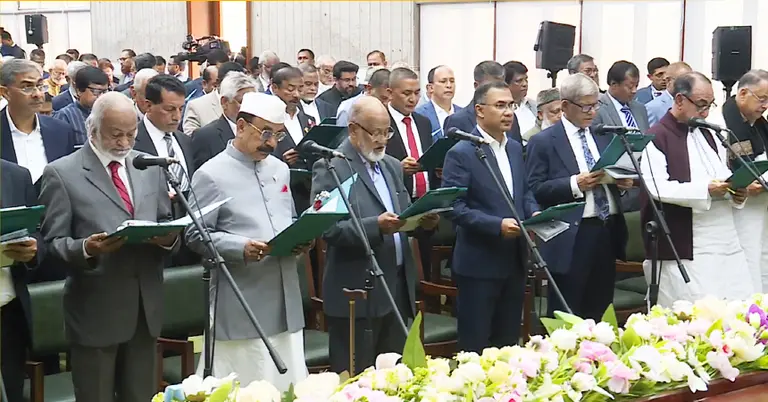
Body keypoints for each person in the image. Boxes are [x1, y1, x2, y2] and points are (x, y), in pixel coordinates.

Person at [38, 92, 178, 402]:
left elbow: (166, 220)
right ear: (93, 130)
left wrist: (168, 238)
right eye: (116, 134)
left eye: (132, 133)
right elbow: (51, 245)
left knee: (141, 396)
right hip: (95, 310)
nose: (125, 142)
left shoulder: (147, 166)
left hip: (144, 308)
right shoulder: (62, 173)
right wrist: (87, 248)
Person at [185, 92, 310, 391]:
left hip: (285, 291)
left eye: (278, 135)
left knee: (289, 382)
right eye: (264, 133)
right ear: (241, 126)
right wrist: (238, 247)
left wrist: (300, 238)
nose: (271, 143)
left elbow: (288, 219)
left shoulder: (279, 169)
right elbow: (193, 234)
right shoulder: (211, 174)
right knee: (248, 385)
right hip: (242, 295)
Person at [310, 96, 439, 374]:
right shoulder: (332, 166)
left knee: (397, 378)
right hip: (357, 292)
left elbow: (403, 216)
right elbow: (327, 228)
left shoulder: (391, 165)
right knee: (357, 380)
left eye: (387, 131)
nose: (382, 139)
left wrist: (424, 221)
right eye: (376, 132)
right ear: (354, 129)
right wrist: (375, 226)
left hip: (397, 289)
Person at [639, 72, 754, 306]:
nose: (705, 112)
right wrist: (706, 190)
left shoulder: (710, 133)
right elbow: (657, 189)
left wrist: (736, 192)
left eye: (710, 105)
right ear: (680, 100)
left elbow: (723, 176)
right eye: (701, 105)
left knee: (736, 304)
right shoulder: (656, 137)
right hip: (688, 239)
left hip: (726, 237)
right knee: (699, 310)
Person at [442, 81, 539, 352]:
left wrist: (535, 212)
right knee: (475, 347)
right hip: (479, 263)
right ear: (479, 110)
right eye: (500, 105)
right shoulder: (461, 153)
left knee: (507, 345)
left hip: (515, 259)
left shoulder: (515, 148)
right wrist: (496, 225)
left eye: (511, 105)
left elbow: (524, 192)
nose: (508, 112)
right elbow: (453, 207)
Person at [526, 73, 631, 320]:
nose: (592, 112)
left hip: (607, 228)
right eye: (586, 106)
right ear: (565, 106)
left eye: (596, 105)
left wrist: (622, 183)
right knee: (567, 311)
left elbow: (614, 172)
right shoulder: (544, 142)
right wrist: (575, 183)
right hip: (573, 232)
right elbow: (535, 188)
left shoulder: (603, 135)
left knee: (601, 308)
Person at [0, 160, 43, 402]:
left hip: (9, 315)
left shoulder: (16, 175)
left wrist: (33, 250)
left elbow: (37, 231)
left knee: (12, 392)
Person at [725, 70, 768, 293]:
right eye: (762, 99)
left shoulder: (759, 124)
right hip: (740, 206)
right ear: (743, 93)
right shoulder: (722, 122)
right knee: (748, 258)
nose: (765, 106)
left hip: (763, 204)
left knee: (763, 259)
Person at [0, 59, 77, 184]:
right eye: (26, 87)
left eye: (40, 86)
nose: (37, 94)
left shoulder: (61, 131)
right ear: (5, 92)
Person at [191, 71, 258, 170]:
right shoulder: (205, 137)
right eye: (242, 102)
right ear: (225, 102)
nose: (250, 107)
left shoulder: (262, 132)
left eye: (253, 102)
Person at [444, 61, 523, 144]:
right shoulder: (458, 120)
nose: (497, 91)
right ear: (476, 86)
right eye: (491, 86)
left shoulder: (511, 117)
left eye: (500, 85)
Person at [53, 66, 110, 145]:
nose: (101, 97)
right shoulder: (65, 116)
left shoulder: (110, 114)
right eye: (96, 92)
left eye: (105, 91)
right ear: (79, 90)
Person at [415, 65, 461, 141]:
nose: (449, 85)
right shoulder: (419, 114)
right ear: (430, 87)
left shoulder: (463, 113)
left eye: (452, 81)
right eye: (443, 81)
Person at [646, 62, 693, 126]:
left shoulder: (692, 103)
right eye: (682, 82)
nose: (687, 85)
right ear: (668, 81)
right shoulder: (653, 107)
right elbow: (648, 133)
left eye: (689, 81)